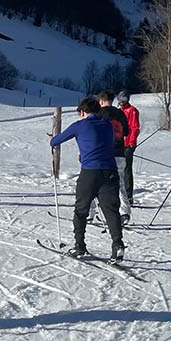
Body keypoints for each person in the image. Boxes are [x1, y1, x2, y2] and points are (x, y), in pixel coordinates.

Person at [48, 97, 125, 262]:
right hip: (110, 172)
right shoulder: (108, 126)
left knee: (81, 210)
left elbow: (56, 141)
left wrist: (50, 140)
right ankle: (117, 245)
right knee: (111, 211)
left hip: (90, 172)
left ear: (82, 112)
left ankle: (80, 246)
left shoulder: (80, 125)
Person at [93, 89, 131, 225]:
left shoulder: (99, 114)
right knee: (120, 183)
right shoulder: (120, 113)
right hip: (120, 153)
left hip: (103, 154)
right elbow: (126, 131)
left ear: (101, 101)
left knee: (94, 182)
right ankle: (125, 212)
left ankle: (90, 213)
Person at [117, 90, 140, 205]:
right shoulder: (119, 111)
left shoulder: (132, 111)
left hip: (128, 144)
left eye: (124, 100)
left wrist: (131, 143)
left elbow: (134, 128)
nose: (121, 102)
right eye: (119, 99)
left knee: (126, 170)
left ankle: (128, 196)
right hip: (119, 144)